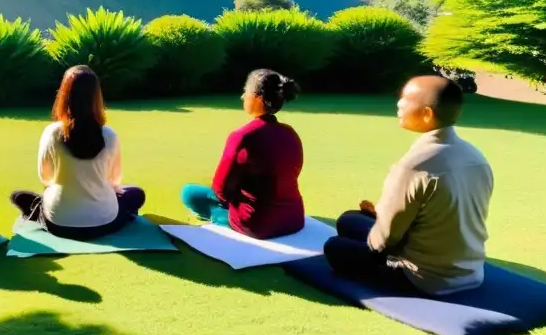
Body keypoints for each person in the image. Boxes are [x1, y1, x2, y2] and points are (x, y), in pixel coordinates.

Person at [323, 75, 494, 295]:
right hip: (470, 270)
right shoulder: (475, 156)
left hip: (425, 278)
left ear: (427, 114)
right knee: (349, 220)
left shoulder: (414, 166)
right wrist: (380, 215)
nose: (399, 103)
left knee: (335, 246)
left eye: (406, 99)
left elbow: (383, 241)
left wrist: (379, 226)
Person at [10, 65, 145, 240]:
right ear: (96, 97)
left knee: (19, 196)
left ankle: (36, 206)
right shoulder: (109, 134)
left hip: (60, 223)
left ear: (64, 96)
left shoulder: (52, 133)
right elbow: (115, 180)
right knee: (135, 194)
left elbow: (45, 177)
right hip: (105, 221)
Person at [181, 69, 305, 239]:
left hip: (257, 225)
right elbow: (293, 172)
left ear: (258, 97)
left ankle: (218, 218)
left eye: (246, 91)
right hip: (294, 219)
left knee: (189, 192)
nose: (243, 97)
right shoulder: (290, 132)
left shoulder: (243, 136)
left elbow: (221, 191)